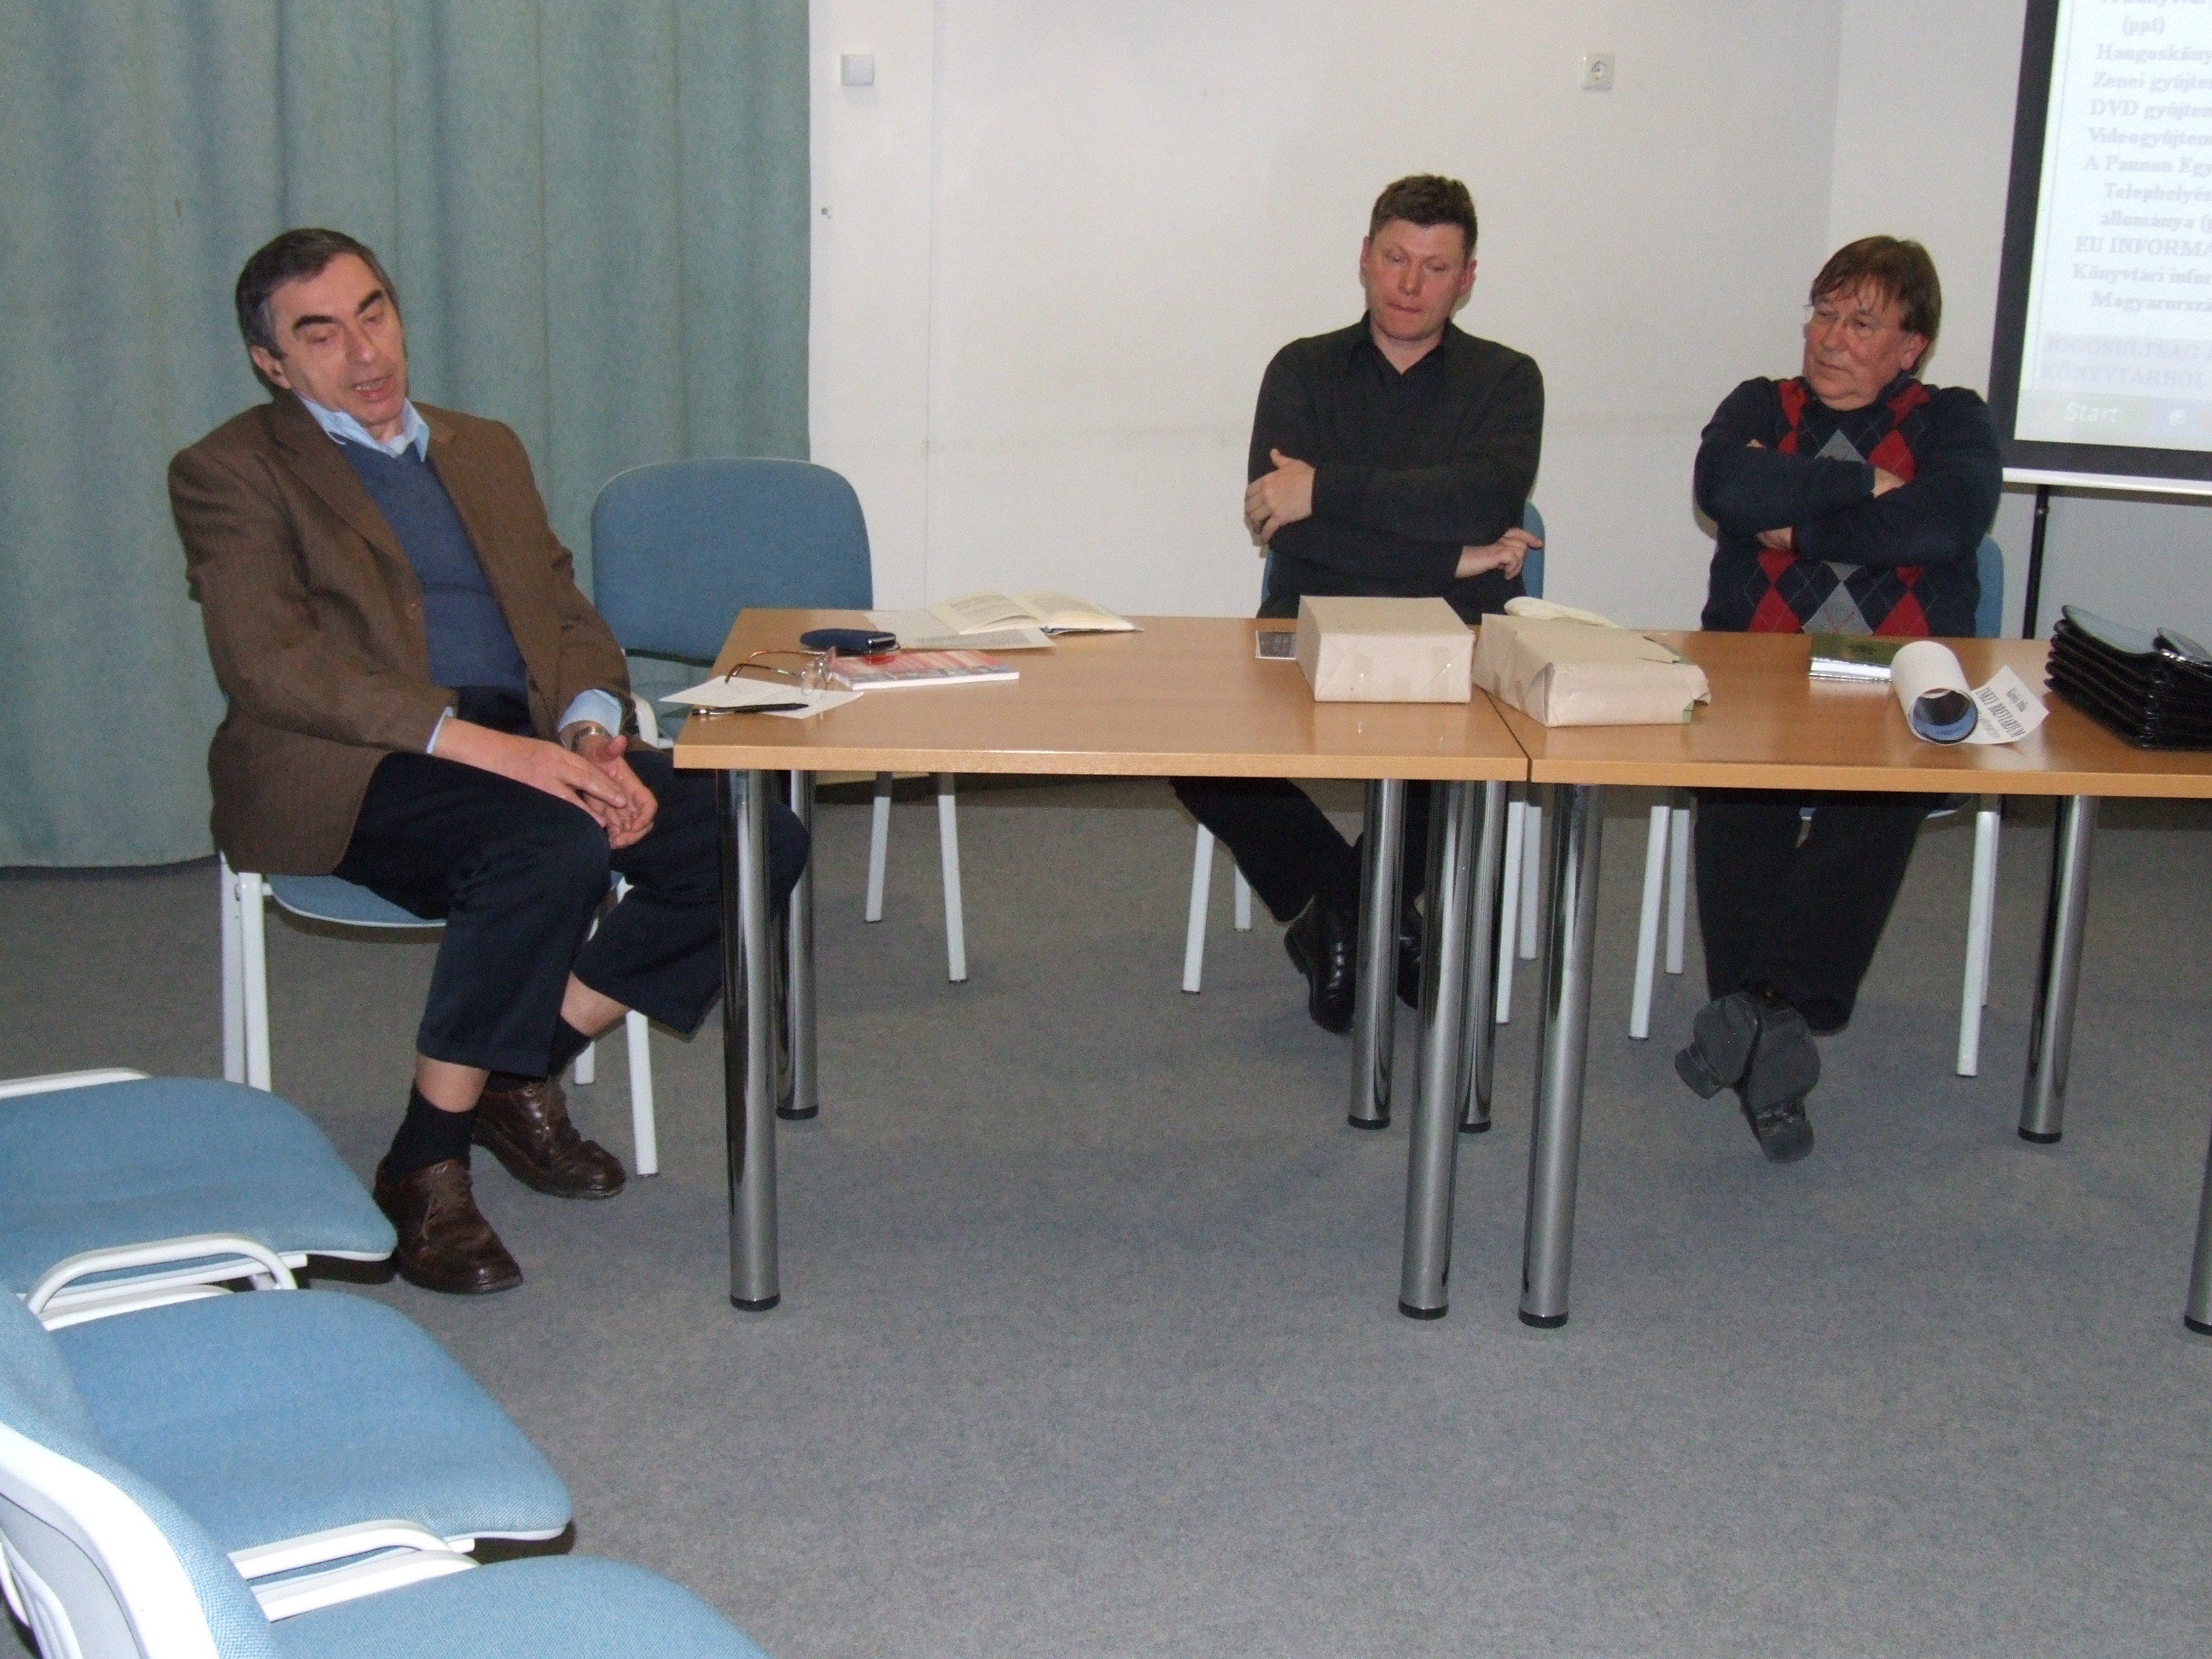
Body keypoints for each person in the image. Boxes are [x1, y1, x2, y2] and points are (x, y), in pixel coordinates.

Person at [171, 228, 807, 1293]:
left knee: (752, 837)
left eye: (374, 314)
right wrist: (501, 756)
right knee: (548, 844)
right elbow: (273, 665)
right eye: (320, 336)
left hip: (527, 741)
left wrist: (589, 734)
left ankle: (519, 1071)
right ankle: (423, 1164)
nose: (364, 353)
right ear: (272, 365)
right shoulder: (229, 472)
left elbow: (563, 614)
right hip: (358, 762)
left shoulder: (483, 447)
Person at [1173, 174, 1544, 1034]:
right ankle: (1371, 917)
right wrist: (1451, 554)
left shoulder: (1507, 379)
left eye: (1435, 267)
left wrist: (1327, 489)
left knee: (1466, 754)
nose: (1410, 284)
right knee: (1195, 747)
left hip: (1455, 632)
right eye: (1395, 259)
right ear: (1365, 259)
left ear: (1467, 279)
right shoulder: (1302, 369)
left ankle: (1340, 919)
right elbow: (1290, 533)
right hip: (1310, 616)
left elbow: (1482, 499)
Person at [1677, 236, 2001, 1162]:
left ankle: (1752, 1012)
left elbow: (1944, 523)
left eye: (1862, 323)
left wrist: (1797, 525)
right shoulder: (1760, 403)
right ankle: (1777, 1022)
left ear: (1912, 346)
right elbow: (1723, 484)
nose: (1831, 338)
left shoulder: (1952, 420)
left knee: (1885, 789)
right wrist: (1863, 486)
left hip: (1892, 687)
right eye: (1824, 313)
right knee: (1737, 785)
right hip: (1755, 678)